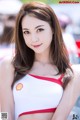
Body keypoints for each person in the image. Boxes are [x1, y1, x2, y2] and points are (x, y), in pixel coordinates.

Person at [0, 1, 80, 120]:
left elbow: (60, 118)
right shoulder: (9, 65)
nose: (34, 38)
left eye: (40, 30)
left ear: (53, 28)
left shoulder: (73, 73)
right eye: (27, 32)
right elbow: (5, 114)